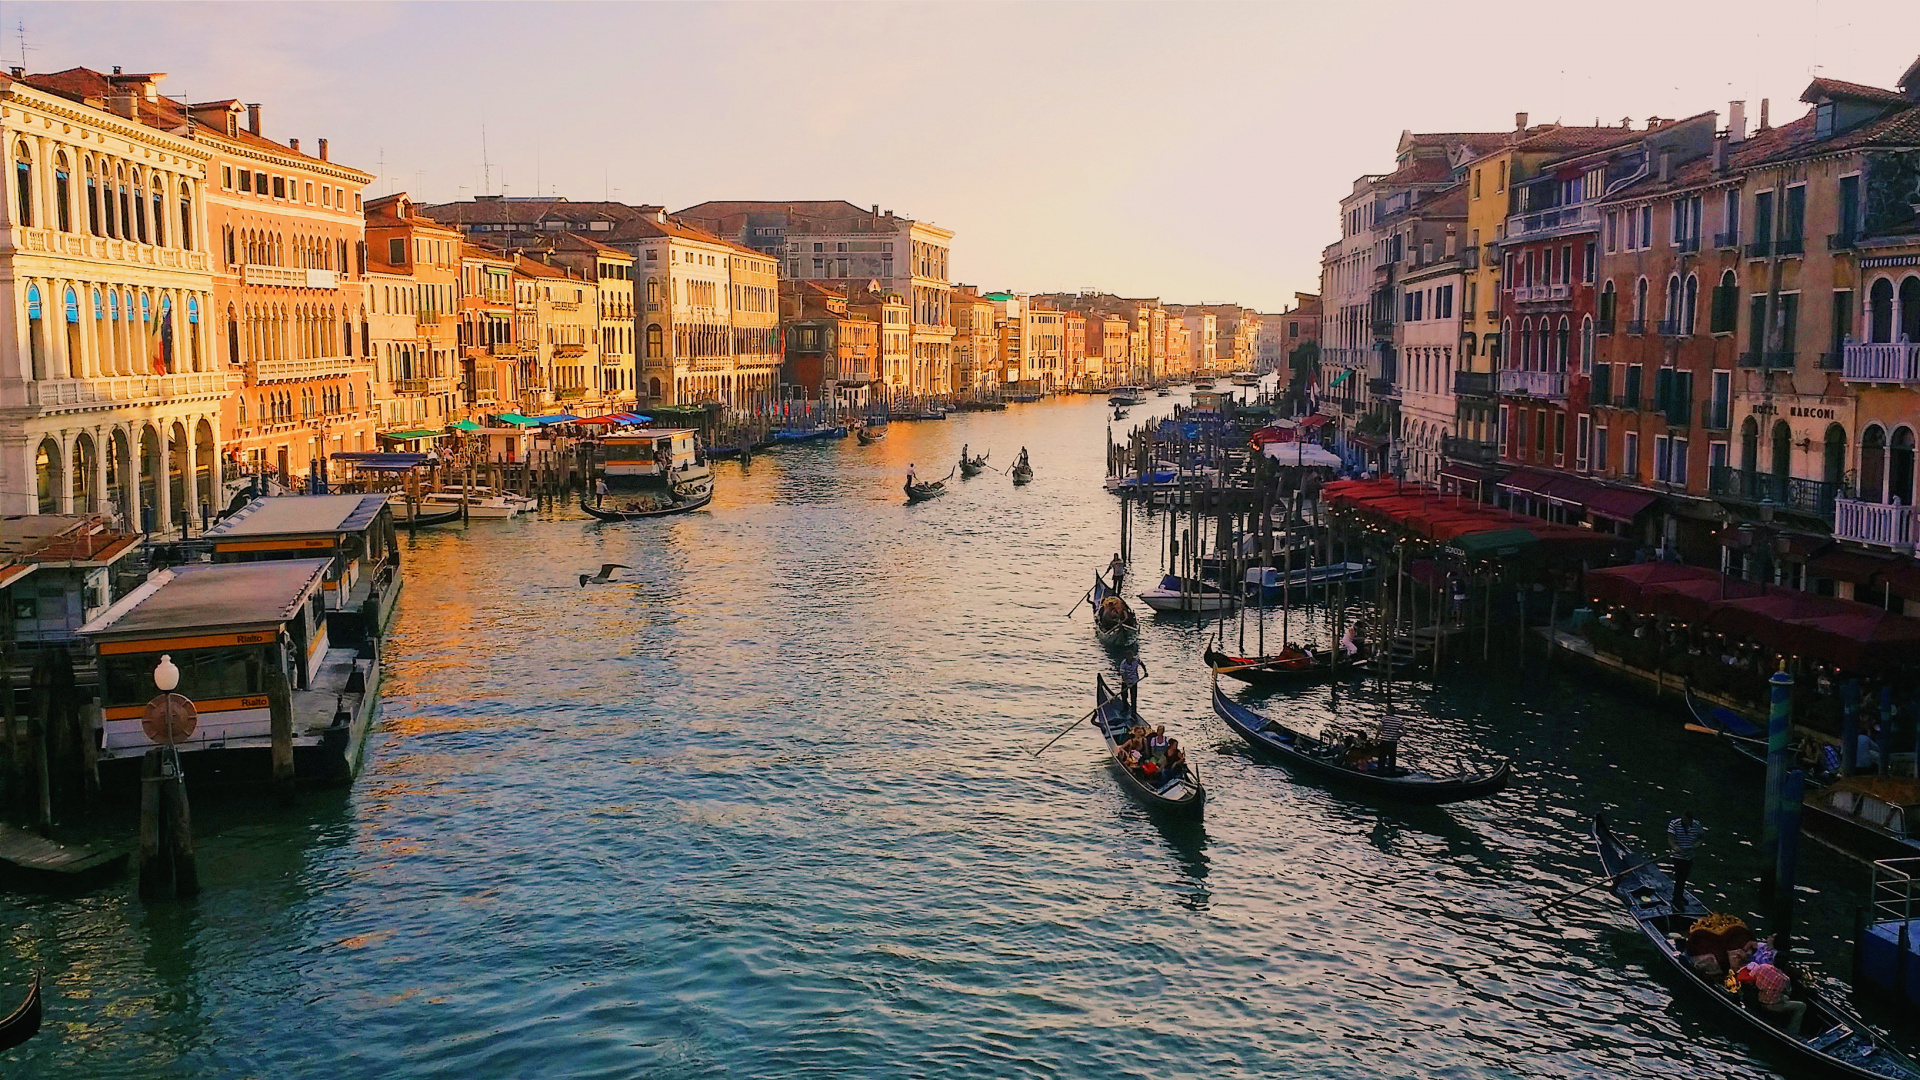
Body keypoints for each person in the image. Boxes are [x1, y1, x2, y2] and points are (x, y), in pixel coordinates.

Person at [1737, 960, 1806, 1035]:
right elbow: (1789, 992)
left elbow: (1754, 981)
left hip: (1760, 999)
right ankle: (1793, 1031)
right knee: (1801, 1006)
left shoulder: (1763, 967)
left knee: (1785, 997)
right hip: (1772, 1005)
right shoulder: (1785, 980)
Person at [1668, 810, 1705, 906]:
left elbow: (1701, 838)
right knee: (1679, 876)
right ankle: (1677, 898)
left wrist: (1696, 844)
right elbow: (1670, 838)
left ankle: (1679, 895)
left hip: (1689, 856)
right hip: (1677, 856)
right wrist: (1675, 847)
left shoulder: (1696, 825)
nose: (1687, 823)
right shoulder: (1674, 824)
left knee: (1684, 877)